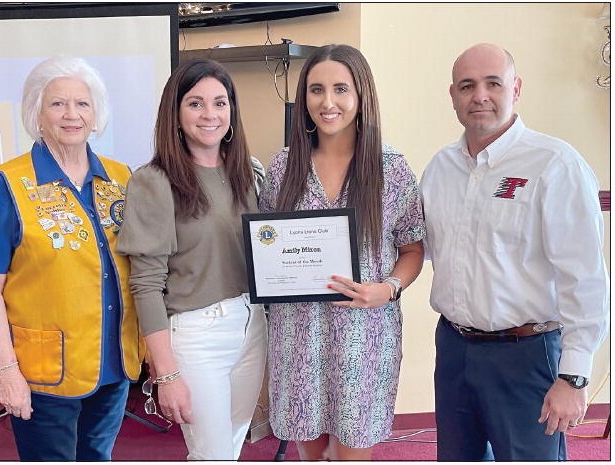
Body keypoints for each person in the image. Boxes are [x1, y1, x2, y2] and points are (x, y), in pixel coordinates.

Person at [420, 43, 610, 461]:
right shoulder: (440, 168)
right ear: (452, 95)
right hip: (454, 349)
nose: (480, 96)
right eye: (467, 86)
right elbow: (423, 249)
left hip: (526, 355)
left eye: (493, 83)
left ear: (516, 89)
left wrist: (574, 377)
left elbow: (586, 278)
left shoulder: (555, 164)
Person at [0, 56, 144, 461]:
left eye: (82, 104)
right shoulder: (7, 183)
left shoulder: (121, 179)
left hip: (114, 364)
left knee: (98, 456)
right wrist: (7, 372)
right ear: (37, 114)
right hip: (42, 372)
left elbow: (141, 267)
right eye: (57, 104)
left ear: (96, 114)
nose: (71, 115)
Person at [259, 44, 425, 461]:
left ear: (361, 95)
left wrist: (387, 288)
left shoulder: (392, 168)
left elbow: (413, 247)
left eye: (340, 89)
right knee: (310, 452)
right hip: (297, 337)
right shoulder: (282, 167)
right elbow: (266, 246)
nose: (327, 102)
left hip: (364, 337)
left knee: (353, 451)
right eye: (316, 90)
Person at [115, 58, 267, 461]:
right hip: (196, 336)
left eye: (220, 102)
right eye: (195, 103)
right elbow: (145, 283)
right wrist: (165, 373)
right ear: (175, 114)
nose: (210, 114)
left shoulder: (249, 173)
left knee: (228, 448)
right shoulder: (155, 181)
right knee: (212, 455)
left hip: (252, 326)